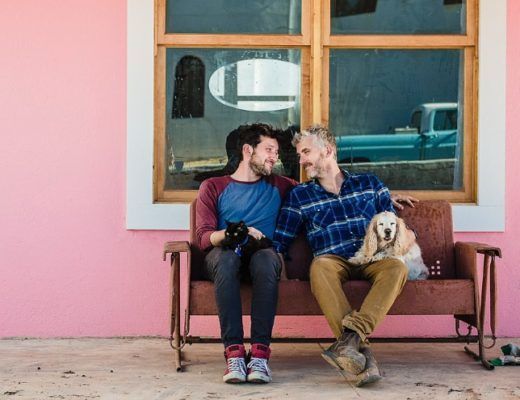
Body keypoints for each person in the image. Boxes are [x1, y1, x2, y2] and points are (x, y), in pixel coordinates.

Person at [273, 124, 416, 386]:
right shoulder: (299, 196)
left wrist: (407, 236)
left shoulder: (370, 184)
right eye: (300, 154)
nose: (301, 160)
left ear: (327, 150)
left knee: (397, 268)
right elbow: (280, 242)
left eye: (306, 152)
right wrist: (281, 277)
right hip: (333, 261)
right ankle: (363, 353)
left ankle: (349, 343)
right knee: (320, 267)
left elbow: (394, 227)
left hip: (374, 258)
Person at [196, 123, 296, 384]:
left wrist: (383, 195)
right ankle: (235, 354)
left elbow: (328, 187)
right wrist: (235, 234)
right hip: (223, 256)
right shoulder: (213, 186)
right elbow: (204, 237)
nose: (275, 157)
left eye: (277, 151)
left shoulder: (281, 185)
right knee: (226, 258)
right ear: (248, 150)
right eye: (269, 150)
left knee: (265, 258)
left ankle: (260, 356)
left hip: (261, 258)